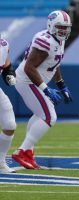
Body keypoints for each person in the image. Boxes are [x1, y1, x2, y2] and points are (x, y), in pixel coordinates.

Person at [11, 10, 73, 169]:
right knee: (49, 116)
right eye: (60, 27)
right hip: (27, 81)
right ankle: (22, 151)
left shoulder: (58, 40)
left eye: (66, 27)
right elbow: (29, 68)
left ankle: (28, 153)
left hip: (33, 81)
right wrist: (46, 89)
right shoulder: (45, 41)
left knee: (41, 114)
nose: (64, 31)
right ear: (51, 25)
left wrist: (61, 84)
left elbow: (55, 63)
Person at [0, 37, 17, 173]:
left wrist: (9, 74)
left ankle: (0, 162)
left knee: (10, 124)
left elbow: (6, 65)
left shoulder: (3, 44)